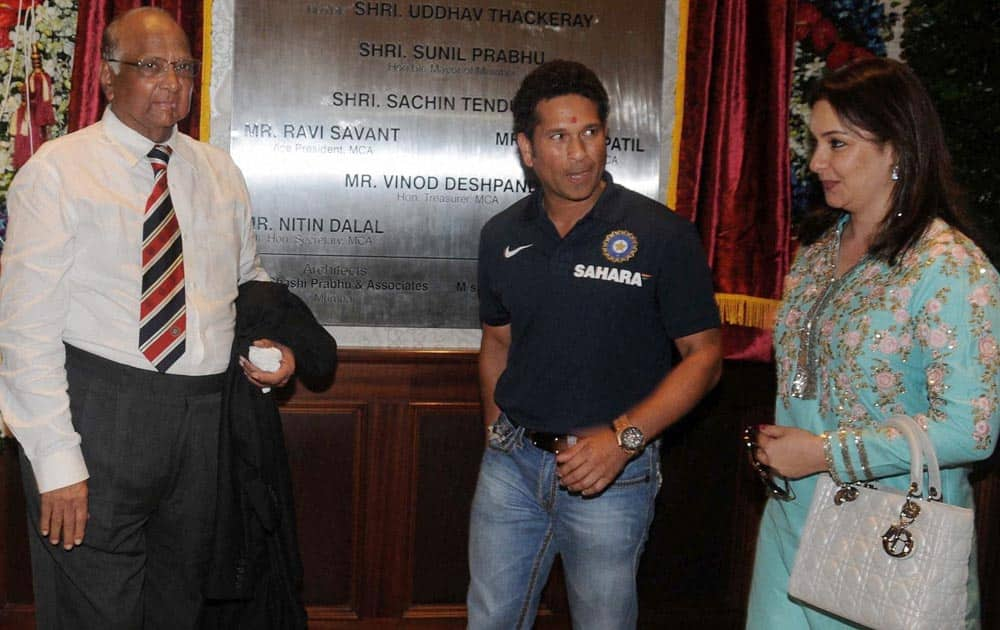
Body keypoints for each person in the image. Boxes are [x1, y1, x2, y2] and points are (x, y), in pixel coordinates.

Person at [0, 7, 295, 628]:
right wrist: (54, 461)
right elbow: (24, 332)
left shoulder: (219, 172)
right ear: (108, 76)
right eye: (152, 66)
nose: (172, 82)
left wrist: (273, 347)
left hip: (204, 424)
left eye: (184, 67)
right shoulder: (55, 173)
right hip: (98, 419)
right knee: (94, 613)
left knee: (178, 610)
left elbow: (250, 281)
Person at [468, 59, 723, 629]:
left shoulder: (662, 234)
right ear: (527, 150)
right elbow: (495, 341)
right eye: (558, 137)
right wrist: (495, 434)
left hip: (612, 472)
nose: (579, 153)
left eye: (590, 133)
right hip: (511, 468)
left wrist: (624, 439)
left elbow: (704, 359)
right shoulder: (501, 235)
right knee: (488, 619)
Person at [746, 57, 1000, 628]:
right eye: (815, 143)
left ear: (897, 149)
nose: (816, 163)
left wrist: (823, 452)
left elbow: (973, 429)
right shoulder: (815, 258)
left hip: (888, 540)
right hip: (790, 522)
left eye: (837, 144)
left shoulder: (950, 268)